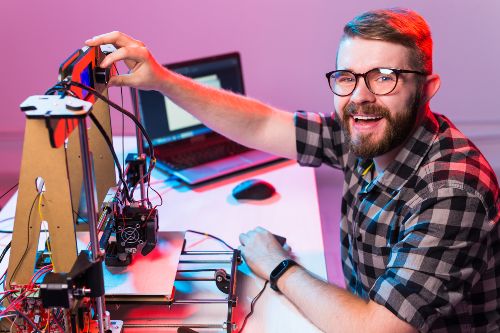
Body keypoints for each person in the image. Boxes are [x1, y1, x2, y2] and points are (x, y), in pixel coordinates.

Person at [86, 8, 500, 332]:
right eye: (347, 77)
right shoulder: (366, 131)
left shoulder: (451, 188)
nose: (360, 97)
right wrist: (163, 80)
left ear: (427, 87)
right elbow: (263, 123)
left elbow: (378, 327)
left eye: (384, 78)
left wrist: (277, 264)